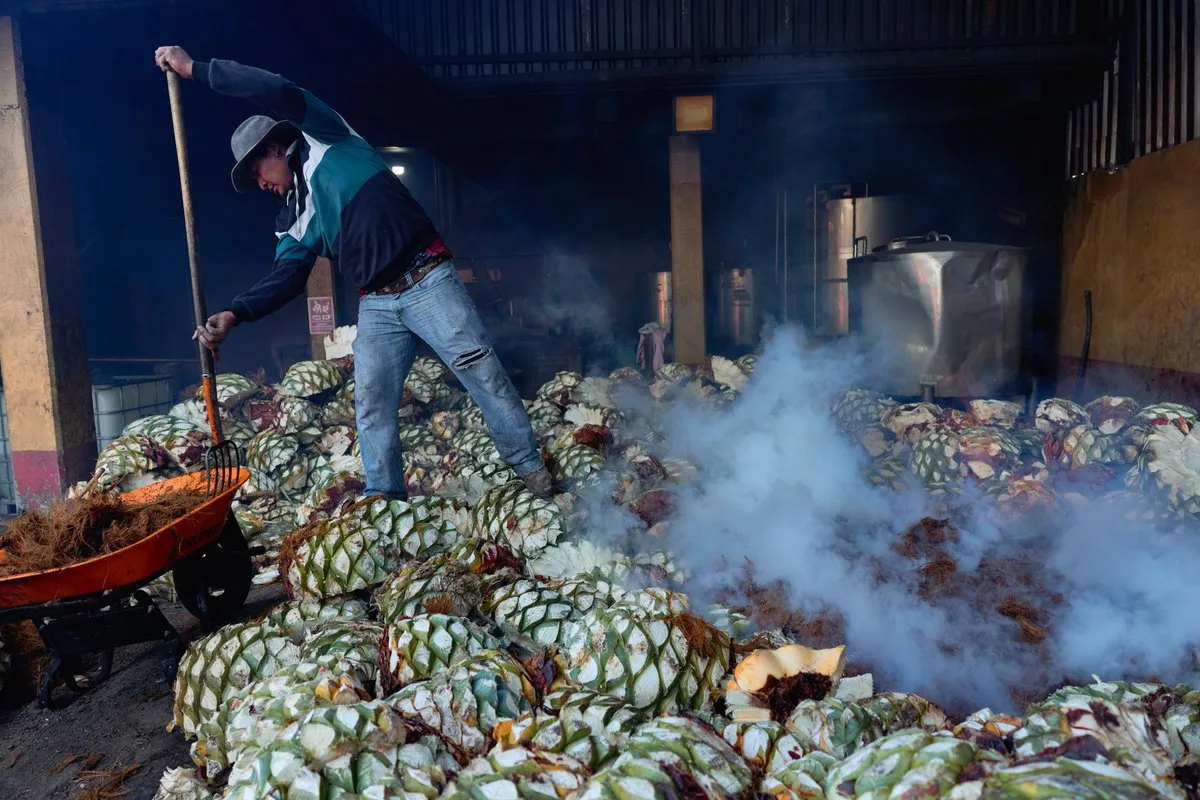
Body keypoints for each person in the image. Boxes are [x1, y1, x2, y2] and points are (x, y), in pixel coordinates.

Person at [154, 46, 553, 500]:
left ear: (274, 148)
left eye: (257, 171)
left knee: (481, 371)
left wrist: (197, 71)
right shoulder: (292, 216)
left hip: (427, 278)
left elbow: (274, 90)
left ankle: (530, 471)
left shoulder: (325, 135)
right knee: (371, 403)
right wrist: (235, 313)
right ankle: (385, 497)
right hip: (378, 303)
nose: (260, 185)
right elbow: (286, 276)